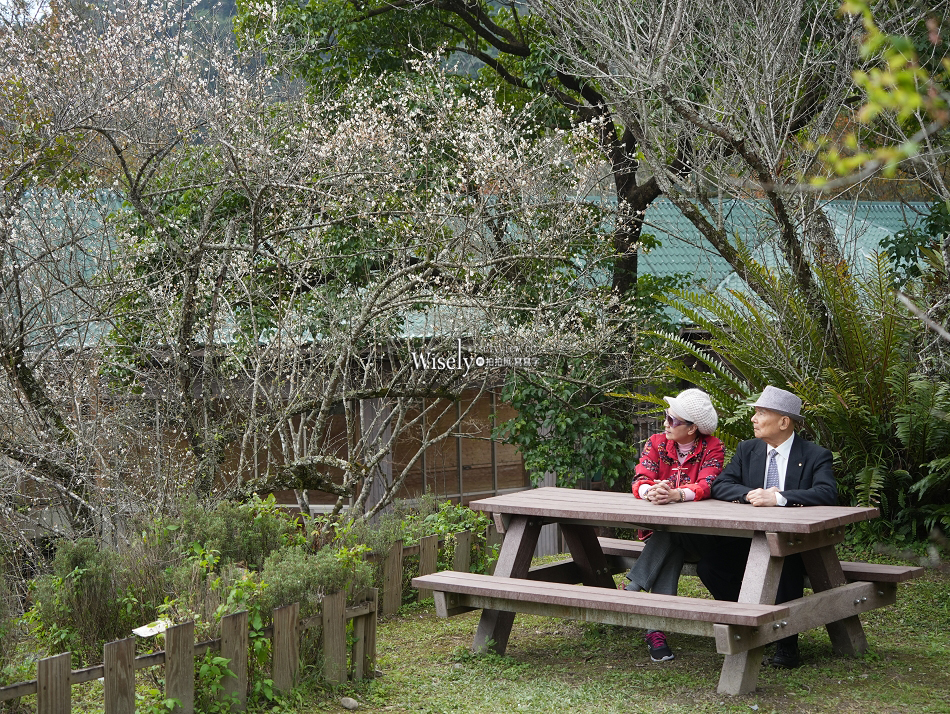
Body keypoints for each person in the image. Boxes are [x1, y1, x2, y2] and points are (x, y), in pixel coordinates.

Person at [697, 385, 836, 669]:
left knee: (783, 562)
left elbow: (826, 492)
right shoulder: (748, 450)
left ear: (784, 422)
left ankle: (787, 644)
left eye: (761, 413)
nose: (753, 418)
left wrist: (779, 498)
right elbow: (721, 484)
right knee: (710, 566)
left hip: (796, 543)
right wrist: (750, 494)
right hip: (749, 539)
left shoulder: (815, 455)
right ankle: (754, 622)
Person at [624, 388, 724, 662]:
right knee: (671, 540)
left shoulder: (712, 447)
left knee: (674, 534)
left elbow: (708, 483)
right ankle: (655, 630)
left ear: (692, 428)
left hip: (699, 536)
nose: (665, 423)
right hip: (662, 535)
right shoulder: (656, 443)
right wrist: (651, 492)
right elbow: (641, 477)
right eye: (666, 416)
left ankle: (633, 589)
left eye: (673, 420)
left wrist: (676, 495)